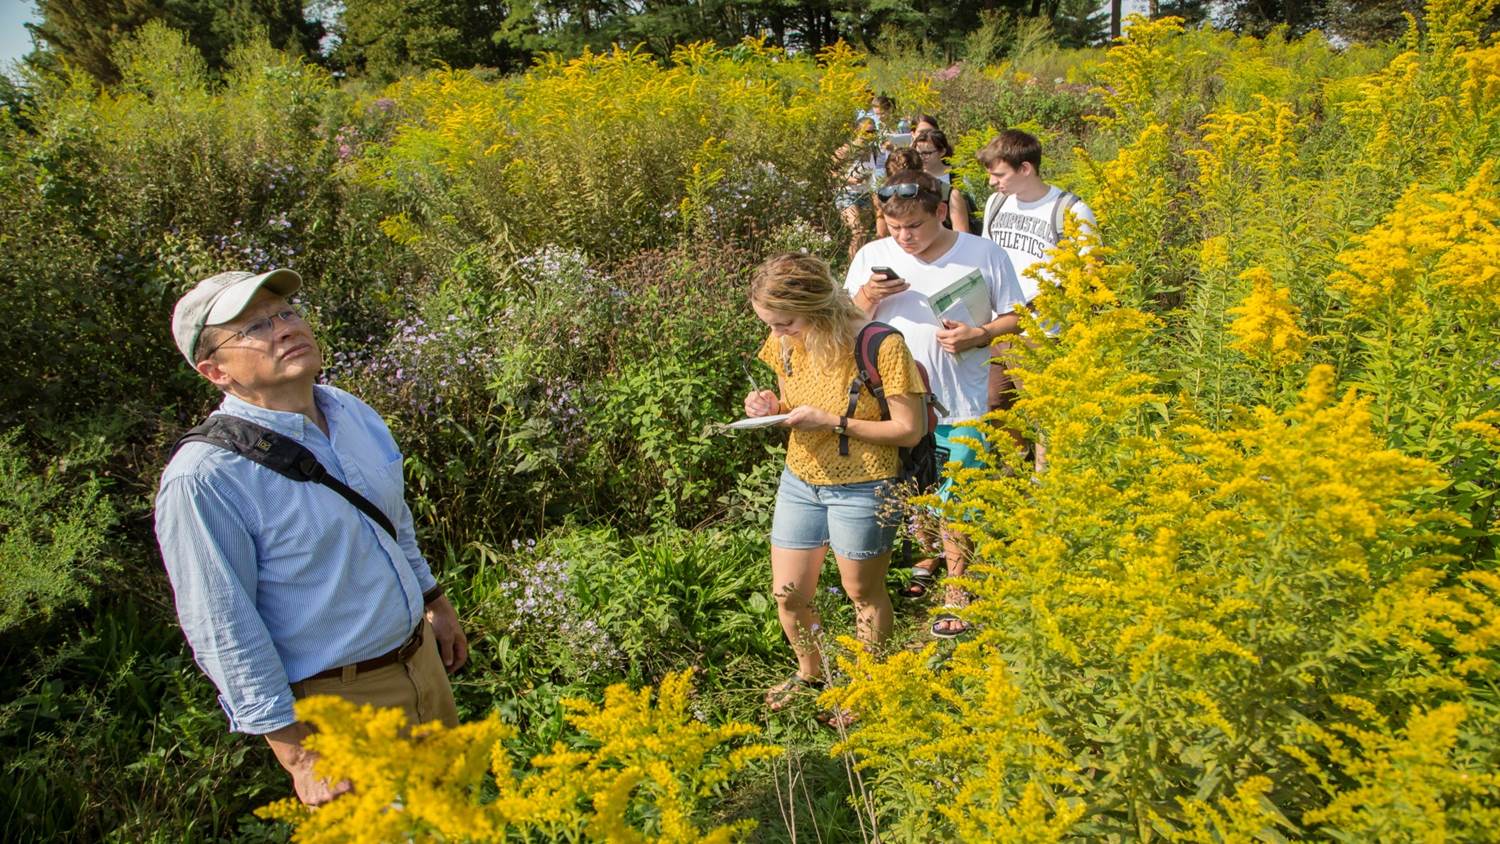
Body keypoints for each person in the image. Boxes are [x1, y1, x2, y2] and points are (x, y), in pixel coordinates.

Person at [155, 268, 468, 806]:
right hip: (338, 709)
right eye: (253, 328)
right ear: (215, 371)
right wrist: (299, 755)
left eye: (285, 313)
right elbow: (223, 626)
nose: (283, 328)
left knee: (459, 815)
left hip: (422, 668)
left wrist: (433, 600)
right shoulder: (205, 478)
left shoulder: (349, 411)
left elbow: (393, 521)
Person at [843, 171, 1026, 638]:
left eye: (915, 228)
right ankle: (924, 558)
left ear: (941, 212)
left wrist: (980, 334)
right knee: (915, 492)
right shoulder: (872, 256)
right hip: (894, 403)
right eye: (893, 226)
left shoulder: (983, 253)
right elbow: (844, 326)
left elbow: (1016, 316)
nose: (903, 238)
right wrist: (867, 296)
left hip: (962, 398)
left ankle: (958, 589)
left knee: (958, 495)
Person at [743, 252, 926, 711]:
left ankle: (867, 686)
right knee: (789, 595)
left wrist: (832, 422)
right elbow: (792, 397)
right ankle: (812, 675)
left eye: (784, 322)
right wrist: (769, 405)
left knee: (863, 592)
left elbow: (910, 429)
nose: (777, 332)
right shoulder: (785, 341)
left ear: (818, 308)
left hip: (865, 484)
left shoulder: (880, 345)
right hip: (801, 479)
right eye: (771, 324)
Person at [977, 129, 1097, 466]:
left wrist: (1047, 303)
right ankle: (1012, 469)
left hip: (1042, 333)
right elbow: (988, 254)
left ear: (1026, 169)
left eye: (999, 174)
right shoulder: (996, 203)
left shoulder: (1070, 210)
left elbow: (1090, 271)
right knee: (994, 402)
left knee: (1044, 413)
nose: (991, 182)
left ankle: (1046, 482)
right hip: (998, 324)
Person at [912, 129, 977, 233]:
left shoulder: (959, 175)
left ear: (942, 151)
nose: (922, 158)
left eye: (927, 153)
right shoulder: (913, 178)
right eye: (918, 153)